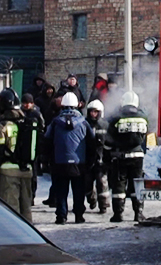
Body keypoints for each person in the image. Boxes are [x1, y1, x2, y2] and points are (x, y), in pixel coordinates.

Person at [44, 91, 93, 224]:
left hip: (59, 162)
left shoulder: (55, 122)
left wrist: (48, 159)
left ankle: (61, 216)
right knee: (78, 190)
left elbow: (47, 140)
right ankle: (79, 215)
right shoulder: (83, 122)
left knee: (61, 190)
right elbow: (91, 141)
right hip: (79, 162)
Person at [0, 88, 40, 222]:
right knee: (26, 209)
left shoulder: (1, 126)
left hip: (8, 173)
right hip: (27, 171)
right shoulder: (27, 123)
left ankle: (13, 238)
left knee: (11, 209)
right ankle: (28, 237)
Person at [106, 90, 149, 222]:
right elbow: (146, 135)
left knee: (119, 186)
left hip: (121, 156)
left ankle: (118, 214)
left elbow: (109, 138)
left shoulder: (116, 117)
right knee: (137, 184)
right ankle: (139, 213)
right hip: (138, 156)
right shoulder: (143, 117)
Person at [84, 99, 110, 213]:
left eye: (95, 112)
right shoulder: (84, 124)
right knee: (87, 183)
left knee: (102, 183)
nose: (93, 114)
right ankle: (91, 199)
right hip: (87, 159)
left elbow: (109, 142)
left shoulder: (105, 125)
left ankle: (103, 205)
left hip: (101, 159)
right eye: (91, 112)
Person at [21, 93, 46, 198]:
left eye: (29, 103)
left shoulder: (36, 114)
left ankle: (32, 194)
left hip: (33, 147)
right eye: (25, 103)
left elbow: (42, 128)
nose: (27, 105)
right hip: (23, 147)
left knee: (33, 173)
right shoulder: (20, 114)